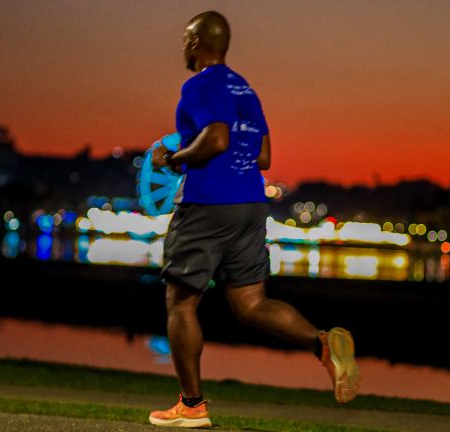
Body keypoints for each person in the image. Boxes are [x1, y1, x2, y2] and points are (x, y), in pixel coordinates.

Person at [149, 10, 360, 428]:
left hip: (208, 203)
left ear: (196, 41)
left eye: (186, 37)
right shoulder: (245, 88)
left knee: (180, 301)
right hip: (249, 204)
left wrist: (174, 159)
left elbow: (217, 139)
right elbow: (263, 157)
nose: (183, 45)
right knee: (251, 304)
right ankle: (321, 342)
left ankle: (191, 407)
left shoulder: (199, 85)